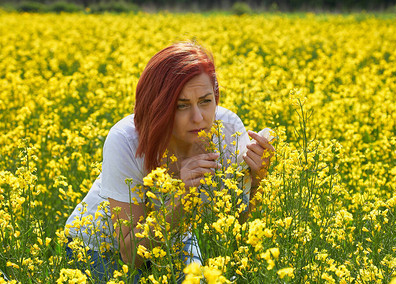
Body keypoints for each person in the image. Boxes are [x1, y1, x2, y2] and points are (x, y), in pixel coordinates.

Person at [64, 42, 274, 283]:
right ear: (158, 108)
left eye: (206, 101)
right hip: (100, 247)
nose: (198, 118)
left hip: (176, 237)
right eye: (181, 106)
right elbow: (131, 255)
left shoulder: (227, 130)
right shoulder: (126, 140)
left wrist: (257, 181)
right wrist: (181, 196)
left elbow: (233, 229)